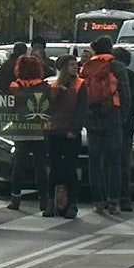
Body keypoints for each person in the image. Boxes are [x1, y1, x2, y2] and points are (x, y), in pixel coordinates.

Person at [80, 36, 128, 215]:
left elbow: (82, 93)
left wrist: (85, 117)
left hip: (93, 119)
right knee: (114, 161)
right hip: (112, 117)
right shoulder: (117, 67)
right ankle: (114, 200)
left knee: (95, 162)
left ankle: (98, 201)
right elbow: (125, 94)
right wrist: (121, 116)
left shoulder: (87, 67)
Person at [6, 54, 50, 211]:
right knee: (41, 166)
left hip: (21, 129)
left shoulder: (15, 86)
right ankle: (44, 199)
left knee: (19, 165)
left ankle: (15, 198)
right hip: (39, 129)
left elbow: (9, 108)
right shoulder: (44, 87)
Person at [44, 54, 84, 219]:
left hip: (70, 134)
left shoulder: (81, 85)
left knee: (70, 169)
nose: (75, 67)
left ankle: (72, 203)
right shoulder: (52, 86)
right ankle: (51, 202)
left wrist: (74, 130)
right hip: (54, 132)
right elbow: (46, 109)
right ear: (63, 68)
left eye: (76, 64)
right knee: (54, 168)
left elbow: (82, 110)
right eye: (71, 65)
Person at [114, 45, 134, 212]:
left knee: (108, 161)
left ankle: (106, 196)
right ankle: (124, 198)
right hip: (126, 125)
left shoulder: (107, 74)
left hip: (107, 123)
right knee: (123, 162)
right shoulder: (131, 77)